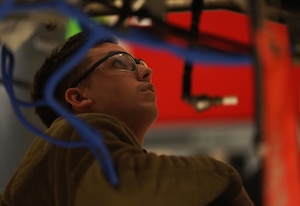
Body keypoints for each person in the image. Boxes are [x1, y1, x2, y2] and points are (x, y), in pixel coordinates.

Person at [0, 32, 254, 206]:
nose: (146, 70)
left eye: (139, 62)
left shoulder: (72, 154)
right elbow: (123, 191)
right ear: (78, 97)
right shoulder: (75, 130)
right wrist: (224, 176)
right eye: (121, 63)